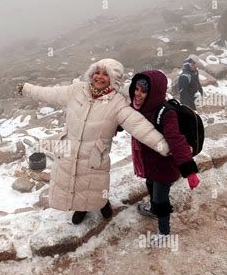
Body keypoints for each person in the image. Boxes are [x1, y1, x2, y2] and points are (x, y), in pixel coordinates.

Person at [16, 59, 170, 225]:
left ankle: (103, 204)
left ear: (114, 79)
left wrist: (166, 147)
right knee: (74, 182)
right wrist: (27, 89)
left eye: (106, 74)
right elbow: (48, 93)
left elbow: (140, 127)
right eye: (97, 72)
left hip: (95, 155)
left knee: (95, 186)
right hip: (69, 149)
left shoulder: (118, 104)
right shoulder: (76, 90)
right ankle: (80, 209)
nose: (99, 77)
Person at [129, 70, 200, 243]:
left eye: (143, 91)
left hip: (164, 167)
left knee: (161, 199)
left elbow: (176, 140)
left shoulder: (166, 114)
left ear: (154, 92)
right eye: (136, 89)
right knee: (151, 186)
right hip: (150, 164)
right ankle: (153, 209)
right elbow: (125, 122)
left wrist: (189, 171)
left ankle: (164, 232)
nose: (138, 94)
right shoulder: (138, 108)